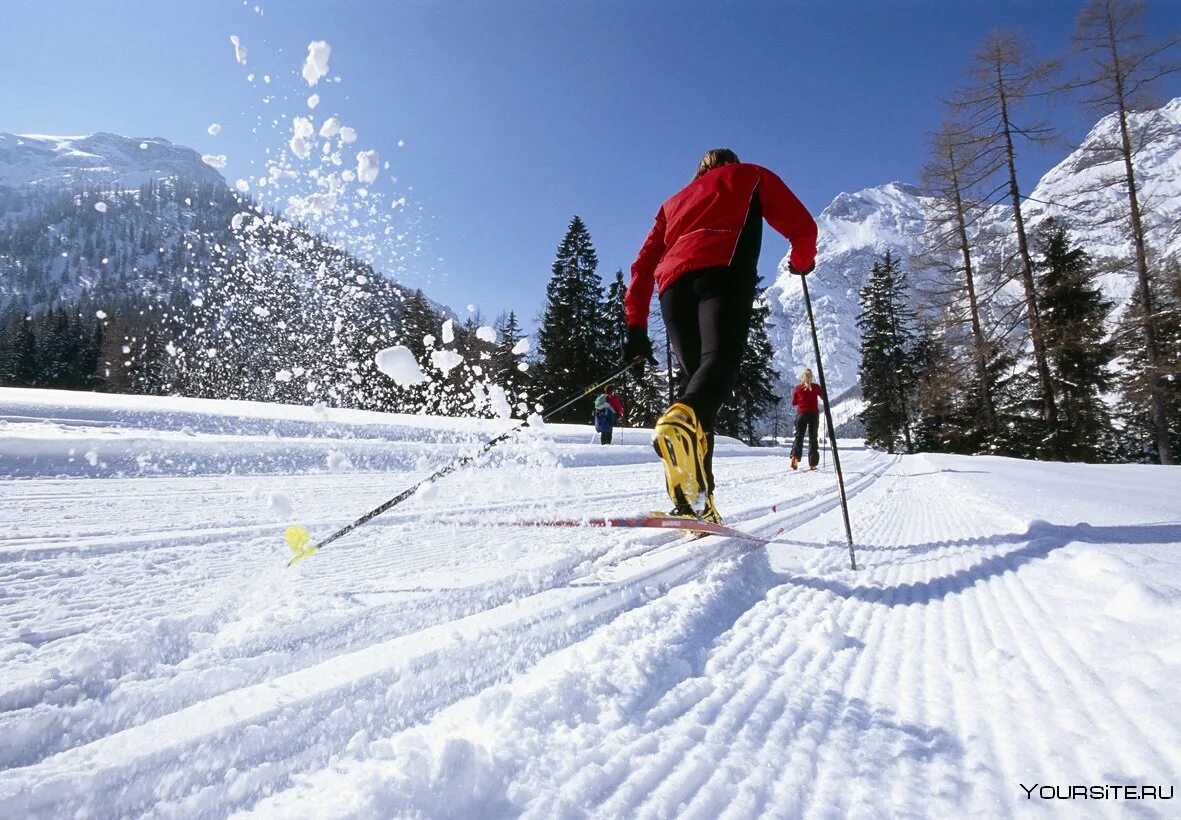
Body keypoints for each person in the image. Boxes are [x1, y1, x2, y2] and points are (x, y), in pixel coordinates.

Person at [622, 148, 817, 522]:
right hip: (722, 271)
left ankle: (696, 501)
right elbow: (803, 229)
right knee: (717, 367)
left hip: (672, 290)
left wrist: (636, 325)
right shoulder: (750, 175)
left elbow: (642, 264)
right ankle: (686, 454)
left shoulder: (672, 203)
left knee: (699, 391)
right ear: (731, 162)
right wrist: (801, 263)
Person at [790, 367, 826, 471]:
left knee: (799, 436)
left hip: (801, 414)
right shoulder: (816, 387)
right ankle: (812, 464)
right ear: (811, 377)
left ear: (802, 377)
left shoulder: (798, 388)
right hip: (813, 414)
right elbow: (824, 397)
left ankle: (795, 457)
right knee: (813, 438)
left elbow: (793, 403)